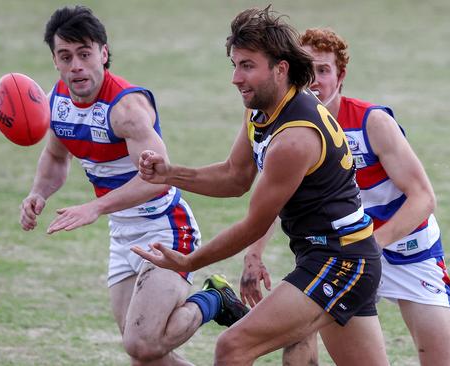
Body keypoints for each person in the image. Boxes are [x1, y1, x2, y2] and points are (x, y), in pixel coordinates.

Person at [239, 28, 450, 366]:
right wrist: (254, 254)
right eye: (309, 69)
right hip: (342, 254)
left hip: (407, 248)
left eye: (324, 70)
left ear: (341, 75)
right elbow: (275, 195)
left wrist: (372, 244)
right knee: (301, 338)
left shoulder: (370, 121)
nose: (315, 80)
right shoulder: (287, 126)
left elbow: (422, 197)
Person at [133, 6, 390, 366]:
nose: (236, 78)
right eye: (235, 65)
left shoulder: (295, 138)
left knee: (232, 348)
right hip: (333, 257)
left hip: (340, 261)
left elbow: (254, 224)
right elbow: (235, 177)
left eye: (248, 65)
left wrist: (190, 261)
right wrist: (170, 173)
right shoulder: (263, 109)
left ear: (280, 68)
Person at [20, 6, 248, 365]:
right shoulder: (58, 103)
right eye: (66, 57)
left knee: (140, 344)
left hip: (165, 227)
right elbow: (56, 157)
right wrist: (38, 193)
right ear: (55, 61)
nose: (76, 66)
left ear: (103, 54)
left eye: (84, 54)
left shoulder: (127, 108)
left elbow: (157, 181)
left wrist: (94, 206)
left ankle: (215, 298)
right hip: (122, 233)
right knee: (147, 358)